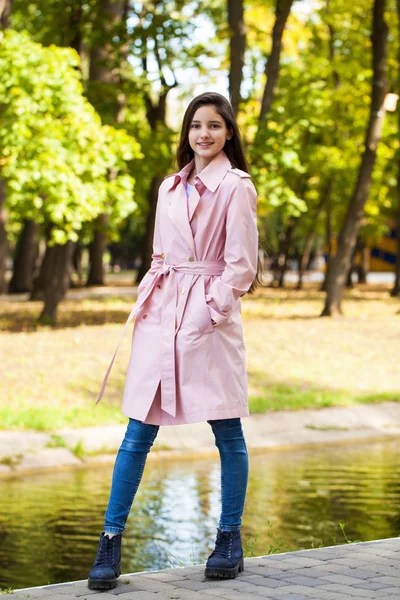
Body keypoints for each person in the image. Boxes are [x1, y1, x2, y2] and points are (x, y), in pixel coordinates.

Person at [88, 91, 259, 590]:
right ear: (186, 133)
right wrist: (154, 300)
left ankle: (229, 536)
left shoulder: (235, 186)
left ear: (228, 132)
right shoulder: (168, 187)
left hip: (208, 316)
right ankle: (110, 541)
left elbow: (241, 266)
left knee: (227, 429)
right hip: (161, 310)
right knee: (137, 431)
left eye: (214, 126)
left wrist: (208, 314)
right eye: (195, 125)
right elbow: (161, 253)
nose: (203, 134)